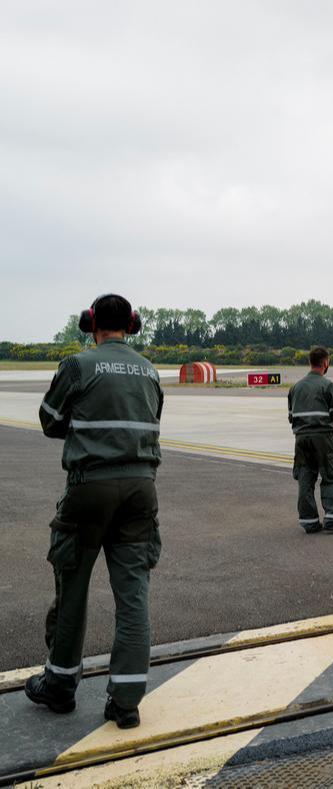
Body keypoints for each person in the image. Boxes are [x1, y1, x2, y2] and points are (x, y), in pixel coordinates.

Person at [27, 294, 164, 730]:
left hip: (91, 489)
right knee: (133, 593)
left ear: (91, 325)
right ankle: (125, 701)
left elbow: (50, 420)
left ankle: (61, 686)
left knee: (73, 585)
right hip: (142, 490)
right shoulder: (149, 370)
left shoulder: (79, 365)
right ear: (132, 325)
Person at [287, 346, 333, 533]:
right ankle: (332, 519)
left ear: (310, 362)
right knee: (332, 475)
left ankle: (309, 521)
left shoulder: (295, 388)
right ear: (326, 363)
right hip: (323, 438)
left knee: (305, 477)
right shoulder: (328, 386)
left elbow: (291, 417)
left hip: (301, 439)